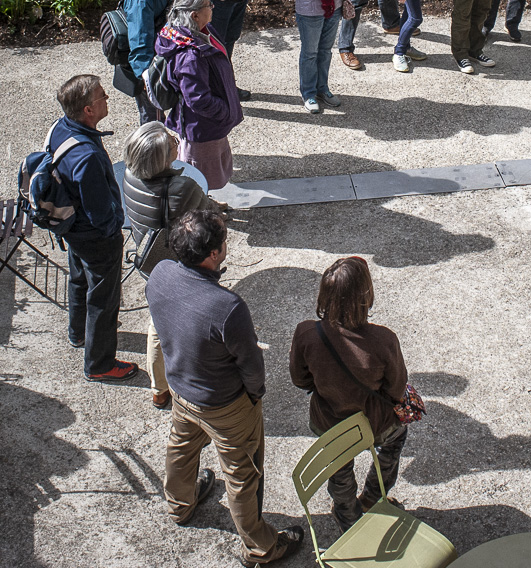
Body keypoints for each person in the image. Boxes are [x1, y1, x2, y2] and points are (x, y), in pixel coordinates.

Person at [146, 210, 303, 566]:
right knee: (242, 474)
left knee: (181, 448)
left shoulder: (160, 273)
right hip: (226, 405)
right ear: (213, 255)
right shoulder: (227, 308)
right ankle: (260, 546)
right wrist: (255, 394)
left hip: (182, 390)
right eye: (224, 241)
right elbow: (251, 364)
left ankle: (180, 504)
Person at [289, 256, 409, 533]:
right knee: (394, 440)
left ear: (324, 294)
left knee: (339, 468)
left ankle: (347, 514)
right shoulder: (384, 340)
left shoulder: (306, 333)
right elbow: (396, 388)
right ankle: (372, 496)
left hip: (330, 423)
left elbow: (299, 379)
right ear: (365, 295)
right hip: (374, 422)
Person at [123, 121, 218, 409]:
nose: (176, 140)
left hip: (149, 260)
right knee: (173, 325)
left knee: (158, 319)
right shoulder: (181, 187)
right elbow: (208, 215)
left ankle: (158, 389)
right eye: (171, 142)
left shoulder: (129, 175)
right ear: (163, 159)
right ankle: (182, 380)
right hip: (180, 265)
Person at [50, 75, 138, 382]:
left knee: (78, 279)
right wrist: (114, 230)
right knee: (104, 298)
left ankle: (78, 333)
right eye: (103, 96)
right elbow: (101, 212)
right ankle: (100, 365)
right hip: (96, 237)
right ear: (89, 110)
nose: (107, 98)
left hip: (73, 230)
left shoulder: (61, 128)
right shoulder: (86, 157)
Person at [155, 0, 243, 191]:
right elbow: (198, 99)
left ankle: (206, 204)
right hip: (203, 128)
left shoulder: (203, 32)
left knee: (209, 171)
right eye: (208, 5)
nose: (213, 7)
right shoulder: (190, 56)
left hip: (210, 124)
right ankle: (201, 212)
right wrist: (224, 111)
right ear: (195, 15)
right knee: (200, 177)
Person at [123, 0, 184, 123]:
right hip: (148, 68)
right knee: (153, 121)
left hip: (158, 60)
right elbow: (139, 38)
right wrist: (147, 79)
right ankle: (150, 152)